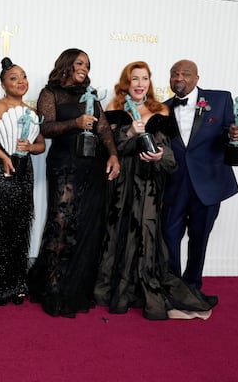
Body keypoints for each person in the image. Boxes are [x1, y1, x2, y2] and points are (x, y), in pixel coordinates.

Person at [93, 61, 215, 320]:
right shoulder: (114, 109)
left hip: (148, 184)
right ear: (127, 83)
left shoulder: (160, 111)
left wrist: (159, 155)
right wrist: (129, 131)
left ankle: (144, 288)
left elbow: (170, 157)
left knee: (146, 233)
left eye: (144, 79)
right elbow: (107, 149)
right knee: (117, 232)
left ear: (150, 82)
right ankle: (115, 290)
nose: (139, 84)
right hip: (120, 184)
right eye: (134, 79)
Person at [26, 48, 120, 318]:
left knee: (88, 227)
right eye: (80, 63)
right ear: (66, 64)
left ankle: (78, 286)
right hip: (65, 165)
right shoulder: (50, 93)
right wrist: (76, 122)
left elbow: (102, 127)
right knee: (61, 224)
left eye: (88, 65)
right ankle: (53, 288)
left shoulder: (89, 94)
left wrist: (113, 155)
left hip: (93, 166)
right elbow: (46, 128)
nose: (85, 68)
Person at [162, 59, 238, 299]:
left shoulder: (220, 100)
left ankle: (193, 284)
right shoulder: (162, 108)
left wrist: (234, 134)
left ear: (197, 78)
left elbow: (227, 133)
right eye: (174, 74)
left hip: (207, 182)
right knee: (169, 235)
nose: (179, 78)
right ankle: (172, 284)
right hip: (174, 183)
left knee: (199, 236)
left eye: (186, 74)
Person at [0, 57, 46, 306]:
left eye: (23, 76)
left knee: (20, 228)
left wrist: (31, 146)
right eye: (13, 78)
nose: (20, 81)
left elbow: (41, 146)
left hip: (24, 172)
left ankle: (17, 284)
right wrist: (3, 156)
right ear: (3, 85)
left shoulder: (33, 112)